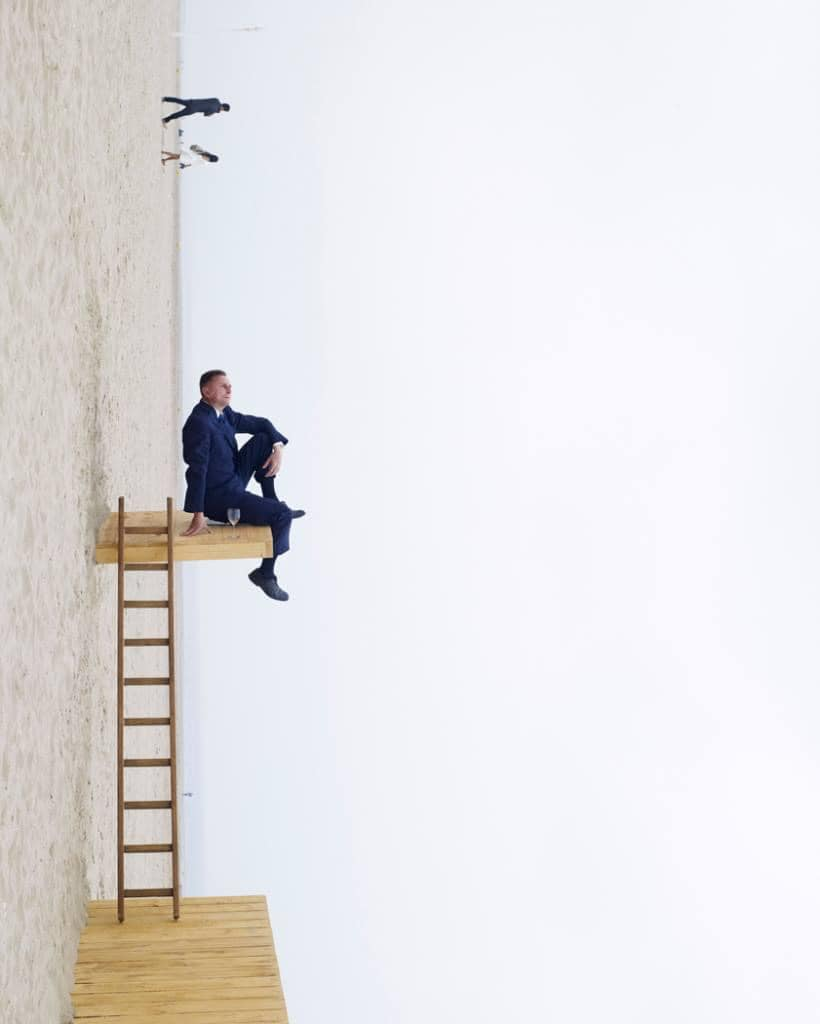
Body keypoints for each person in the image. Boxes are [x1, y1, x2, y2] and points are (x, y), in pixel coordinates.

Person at [181, 370, 305, 601]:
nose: (229, 389)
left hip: (232, 478)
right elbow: (197, 470)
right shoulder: (199, 423)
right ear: (206, 391)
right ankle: (265, 574)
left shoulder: (224, 413)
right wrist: (198, 513)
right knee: (281, 516)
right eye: (223, 386)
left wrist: (278, 447)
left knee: (265, 438)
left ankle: (272, 500)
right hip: (220, 498)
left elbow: (262, 423)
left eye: (230, 385)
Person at [162, 97, 230, 123]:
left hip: (193, 102)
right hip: (193, 109)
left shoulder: (216, 100)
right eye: (223, 110)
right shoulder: (214, 110)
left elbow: (208, 101)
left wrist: (217, 110)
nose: (222, 110)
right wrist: (215, 112)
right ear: (223, 108)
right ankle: (166, 119)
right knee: (179, 114)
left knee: (180, 101)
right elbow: (206, 114)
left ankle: (165, 99)